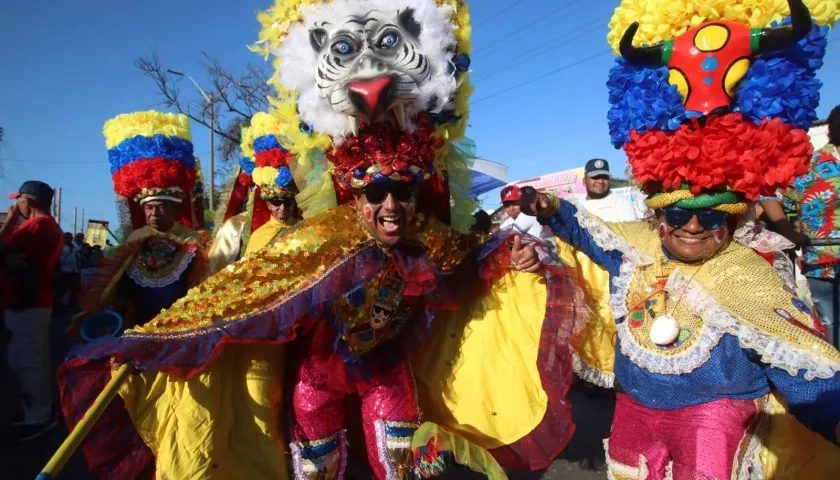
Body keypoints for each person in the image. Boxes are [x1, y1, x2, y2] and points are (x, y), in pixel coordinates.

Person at [52, 2, 577, 479]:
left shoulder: (428, 241)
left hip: (388, 376)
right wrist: (147, 343)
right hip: (314, 386)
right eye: (376, 192)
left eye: (403, 191)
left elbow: (471, 263)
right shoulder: (320, 240)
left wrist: (514, 252)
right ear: (353, 194)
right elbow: (232, 299)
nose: (391, 205)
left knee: (403, 468)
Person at [514, 1, 840, 478]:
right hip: (632, 418)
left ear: (732, 220)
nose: (691, 227)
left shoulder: (748, 277)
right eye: (677, 213)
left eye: (710, 217)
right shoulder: (637, 245)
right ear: (656, 212)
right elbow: (585, 229)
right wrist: (548, 207)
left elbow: (807, 372)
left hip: (713, 432)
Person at [66, 111, 208, 340]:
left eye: (161, 207)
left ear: (174, 209)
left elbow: (198, 285)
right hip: (137, 320)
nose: (154, 213)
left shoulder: (191, 239)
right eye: (149, 208)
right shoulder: (137, 237)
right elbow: (120, 280)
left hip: (178, 321)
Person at [761, 104, 840, 348]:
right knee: (832, 331)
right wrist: (787, 232)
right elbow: (768, 193)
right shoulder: (812, 166)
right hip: (823, 265)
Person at [0, 180, 64, 441]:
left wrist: (11, 219)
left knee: (26, 361)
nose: (16, 205)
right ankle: (40, 411)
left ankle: (39, 416)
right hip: (33, 300)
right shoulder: (45, 225)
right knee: (34, 359)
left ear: (30, 201)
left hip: (28, 301)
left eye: (19, 200)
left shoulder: (37, 225)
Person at [208, 113, 305, 273]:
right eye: (276, 201)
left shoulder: (303, 227)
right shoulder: (242, 230)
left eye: (287, 202)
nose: (282, 208)